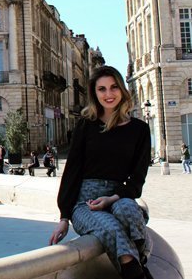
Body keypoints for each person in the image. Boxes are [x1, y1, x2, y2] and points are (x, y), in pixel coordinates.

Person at [49, 66, 152, 279]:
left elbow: (138, 177)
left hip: (118, 195)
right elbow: (72, 171)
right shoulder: (86, 126)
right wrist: (64, 216)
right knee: (111, 228)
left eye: (114, 87)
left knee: (128, 211)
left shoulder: (139, 129)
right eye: (102, 89)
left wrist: (112, 198)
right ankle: (138, 272)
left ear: (122, 90)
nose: (108, 94)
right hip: (85, 202)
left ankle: (139, 262)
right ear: (94, 93)